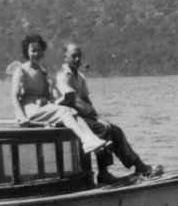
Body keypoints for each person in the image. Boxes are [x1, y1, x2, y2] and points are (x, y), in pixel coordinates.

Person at [55, 43, 162, 183]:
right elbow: (75, 101)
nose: (77, 59)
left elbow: (86, 100)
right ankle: (103, 174)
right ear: (65, 57)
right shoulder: (62, 76)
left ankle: (139, 165)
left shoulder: (80, 77)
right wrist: (97, 118)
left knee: (115, 130)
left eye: (79, 56)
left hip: (81, 115)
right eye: (73, 55)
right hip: (68, 117)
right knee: (103, 129)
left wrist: (99, 117)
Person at [10, 34, 110, 154]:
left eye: (39, 51)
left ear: (43, 51)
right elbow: (14, 96)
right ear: (26, 51)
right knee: (65, 111)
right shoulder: (21, 70)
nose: (36, 54)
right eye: (33, 51)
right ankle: (86, 140)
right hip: (29, 110)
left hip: (43, 108)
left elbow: (48, 96)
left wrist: (56, 97)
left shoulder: (42, 71)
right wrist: (21, 117)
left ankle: (92, 140)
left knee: (70, 110)